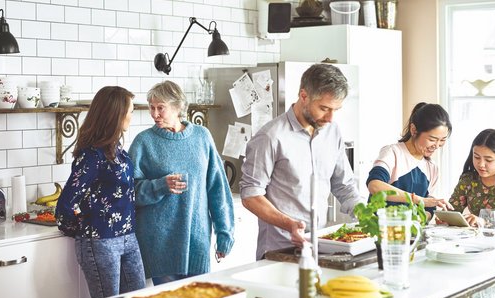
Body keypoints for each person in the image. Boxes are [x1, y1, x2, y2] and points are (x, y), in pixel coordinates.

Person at [240, 63, 362, 260]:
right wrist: (290, 225)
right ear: (304, 96)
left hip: (321, 246)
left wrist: (366, 213)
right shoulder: (270, 137)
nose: (330, 118)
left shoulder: (332, 132)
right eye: (324, 108)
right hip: (279, 250)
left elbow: (344, 186)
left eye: (335, 110)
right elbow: (251, 195)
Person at [128, 80, 235, 286]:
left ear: (178, 107)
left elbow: (218, 188)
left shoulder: (202, 137)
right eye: (152, 108)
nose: (154, 114)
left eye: (161, 108)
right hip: (159, 243)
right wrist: (160, 186)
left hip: (198, 240)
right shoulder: (144, 142)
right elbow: (129, 193)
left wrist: (225, 232)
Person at [55, 86, 146, 298]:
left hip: (128, 237)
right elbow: (65, 205)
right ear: (116, 114)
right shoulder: (91, 157)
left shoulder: (119, 153)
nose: (132, 117)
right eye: (130, 111)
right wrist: (84, 228)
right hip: (100, 243)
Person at [366, 102, 453, 214]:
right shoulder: (392, 153)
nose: (436, 146)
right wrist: (417, 199)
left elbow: (429, 210)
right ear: (413, 130)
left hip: (411, 230)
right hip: (381, 228)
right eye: (432, 139)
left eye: (442, 140)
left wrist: (417, 219)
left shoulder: (432, 167)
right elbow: (374, 185)